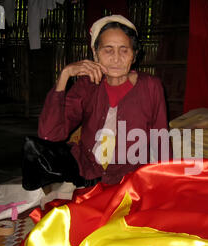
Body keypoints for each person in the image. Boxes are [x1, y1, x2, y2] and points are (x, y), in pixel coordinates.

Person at [36, 15, 170, 187]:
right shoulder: (87, 85)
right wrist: (64, 75)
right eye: (108, 50)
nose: (116, 58)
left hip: (128, 175)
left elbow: (161, 138)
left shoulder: (151, 86)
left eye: (124, 50)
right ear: (95, 53)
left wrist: (165, 180)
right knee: (35, 153)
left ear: (134, 55)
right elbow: (50, 134)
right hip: (87, 170)